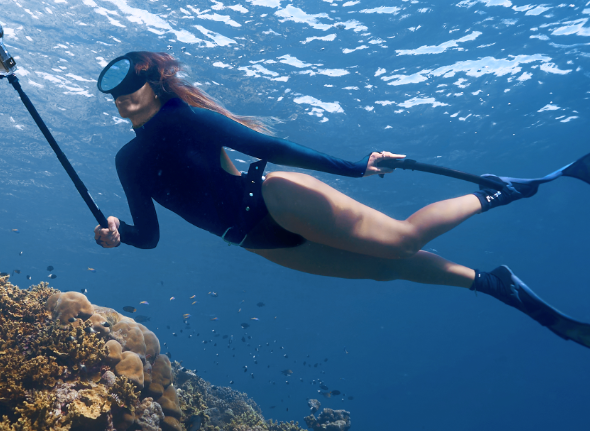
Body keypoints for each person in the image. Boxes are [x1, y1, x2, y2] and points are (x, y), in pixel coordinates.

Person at [92, 51, 536, 313]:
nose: (123, 96)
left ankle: (492, 193)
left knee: (402, 240)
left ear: (154, 83)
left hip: (277, 199)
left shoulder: (187, 118)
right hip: (254, 240)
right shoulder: (126, 161)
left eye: (134, 83)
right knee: (387, 269)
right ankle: (489, 282)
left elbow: (276, 150)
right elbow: (147, 237)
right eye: (116, 92)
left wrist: (355, 167)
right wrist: (118, 233)